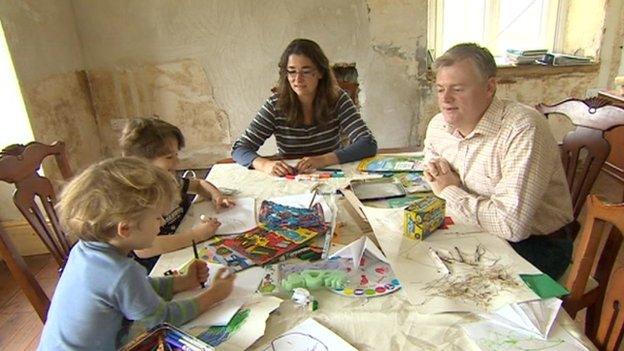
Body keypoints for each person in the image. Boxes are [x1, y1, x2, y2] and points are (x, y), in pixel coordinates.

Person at [38, 157, 235, 351]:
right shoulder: (121, 272)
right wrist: (213, 295)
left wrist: (182, 282)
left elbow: (135, 290)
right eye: (157, 217)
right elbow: (160, 319)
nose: (163, 223)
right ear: (125, 229)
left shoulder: (83, 250)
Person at [423, 43, 575, 280]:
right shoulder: (438, 126)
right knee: (409, 263)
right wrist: (439, 183)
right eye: (440, 89)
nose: (446, 99)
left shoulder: (522, 128)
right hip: (473, 233)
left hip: (536, 247)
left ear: (489, 87)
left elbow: (512, 226)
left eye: (458, 89)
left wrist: (449, 190)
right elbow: (432, 176)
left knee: (450, 293)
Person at [231, 38, 377, 176]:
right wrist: (265, 165)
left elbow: (367, 143)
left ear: (320, 72)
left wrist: (322, 160)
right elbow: (240, 148)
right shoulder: (275, 105)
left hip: (329, 173)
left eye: (306, 71)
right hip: (290, 177)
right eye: (292, 71)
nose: (298, 79)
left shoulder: (338, 99)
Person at [120, 117, 235, 271]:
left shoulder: (170, 178)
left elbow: (198, 184)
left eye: (176, 155)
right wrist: (197, 235)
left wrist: (216, 195)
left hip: (185, 241)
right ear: (141, 163)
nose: (177, 162)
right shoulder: (138, 198)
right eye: (169, 157)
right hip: (157, 266)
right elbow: (144, 249)